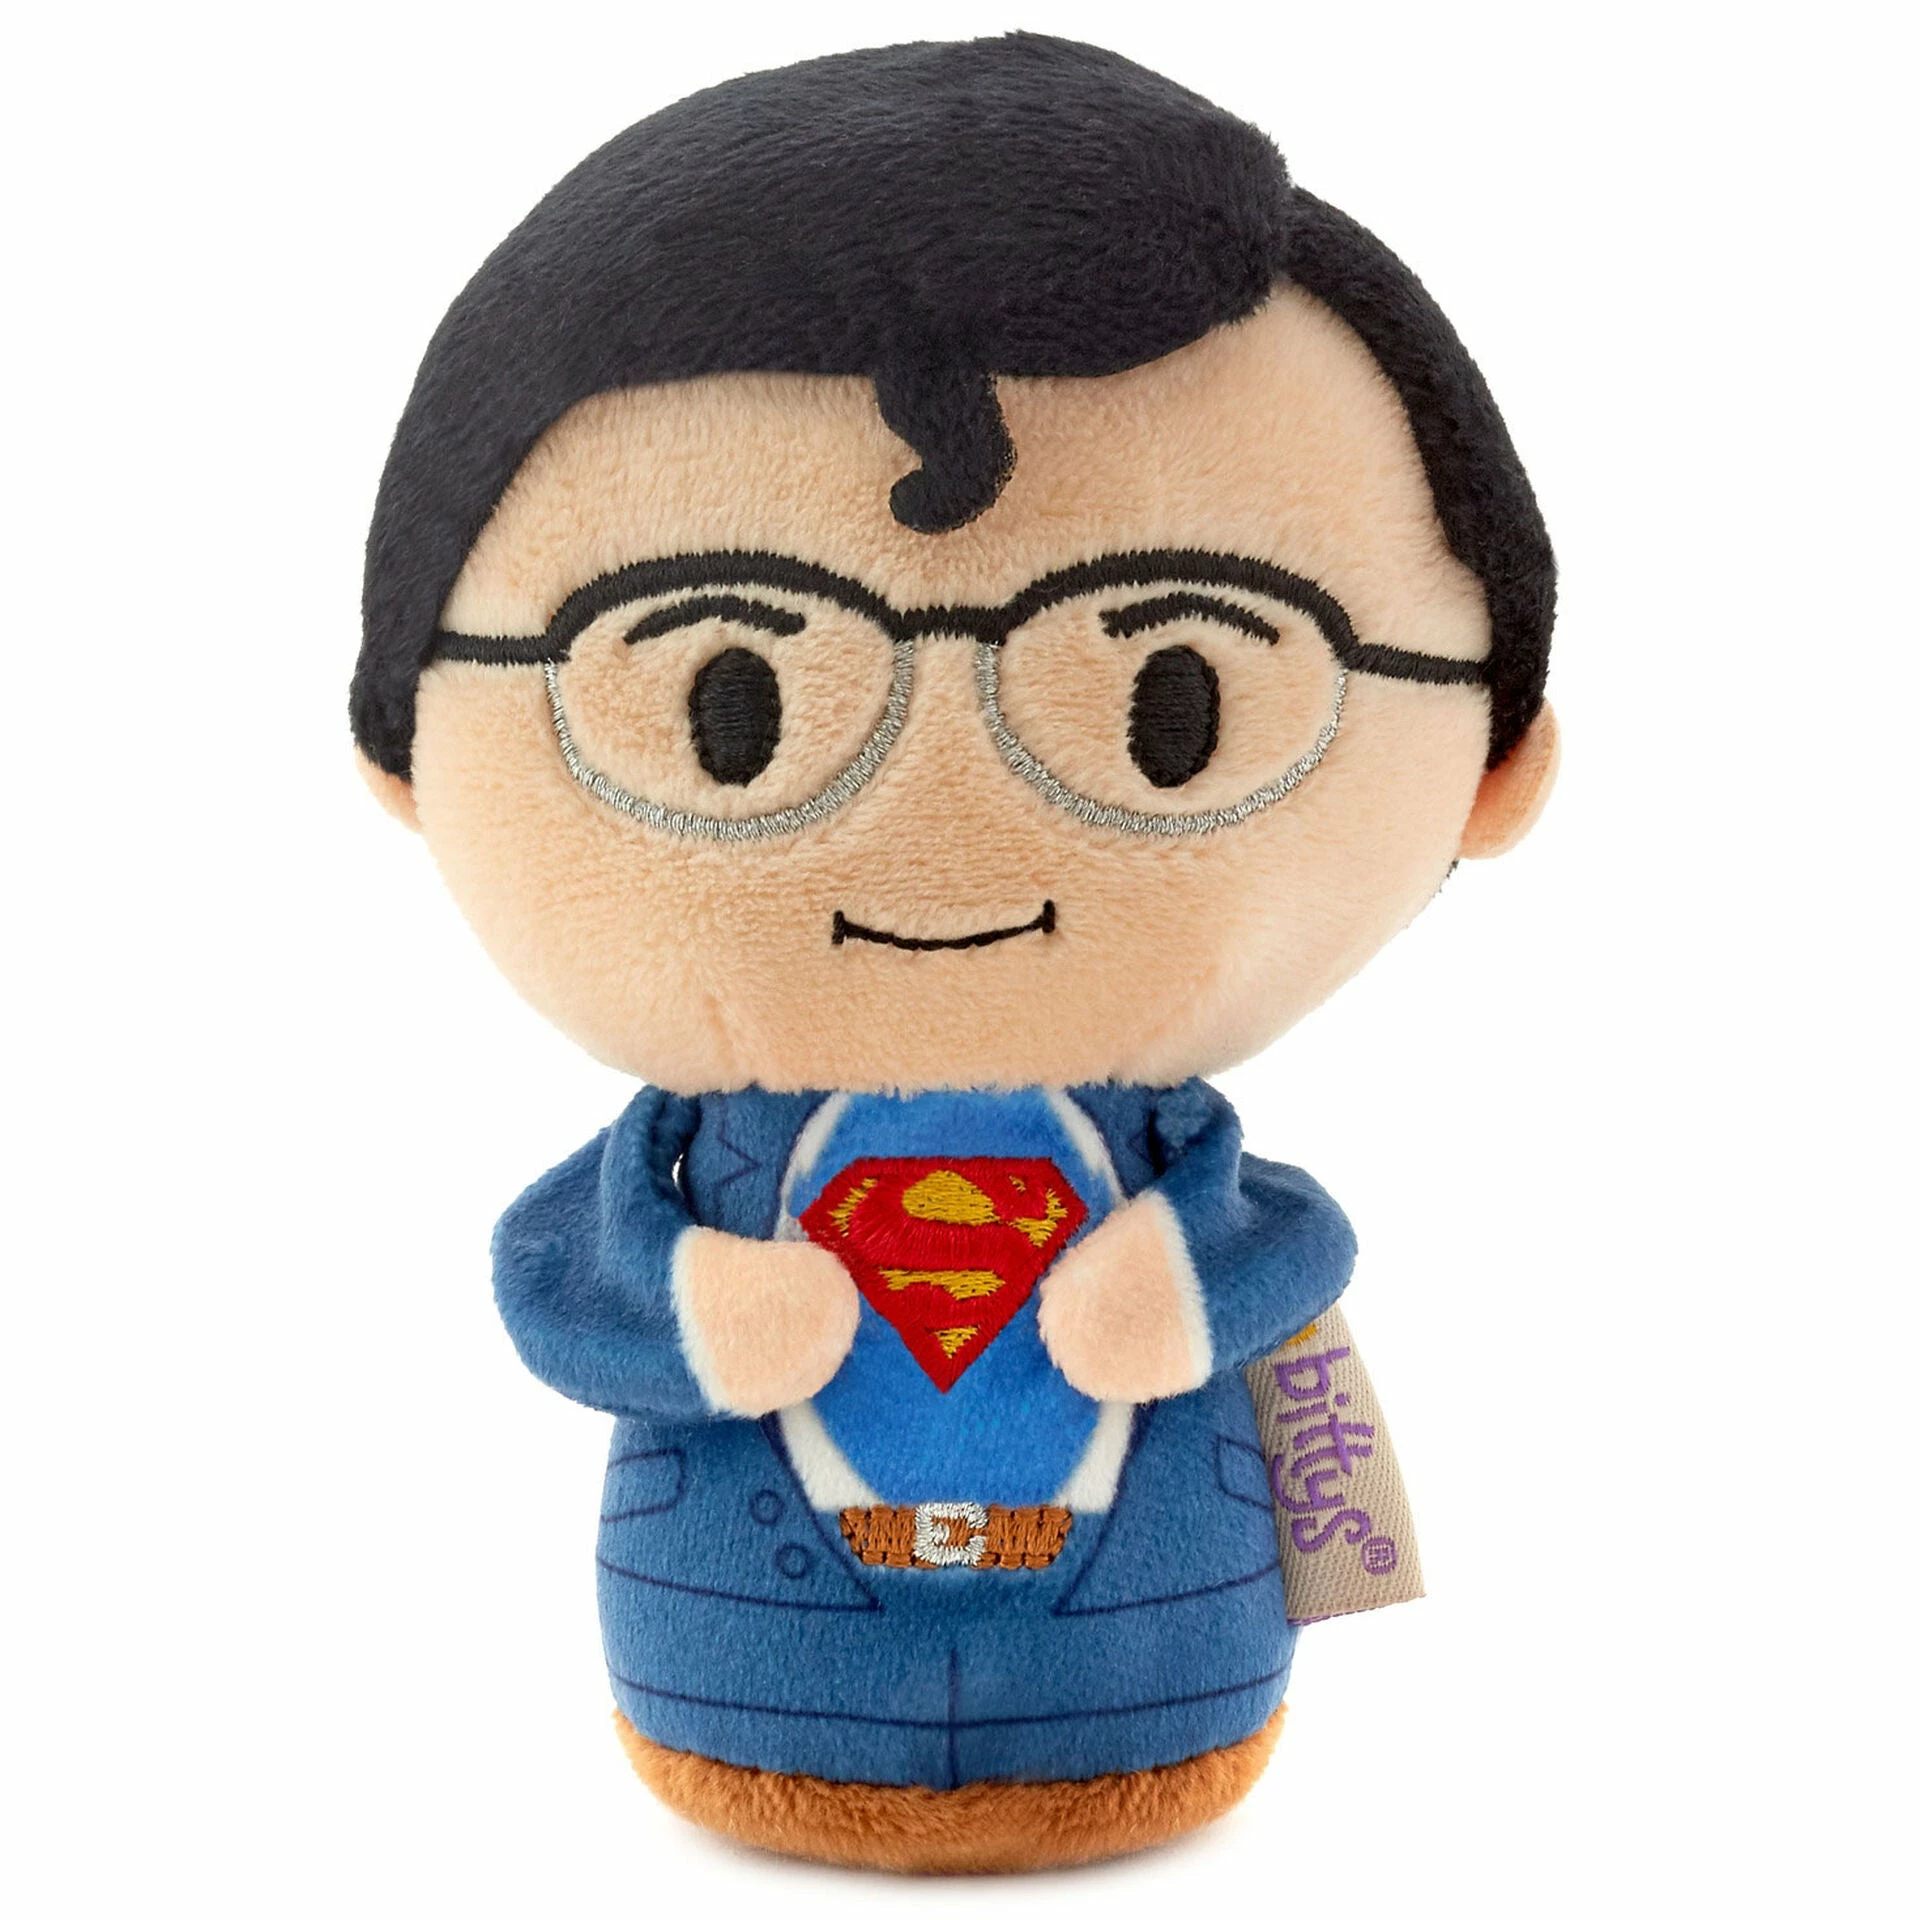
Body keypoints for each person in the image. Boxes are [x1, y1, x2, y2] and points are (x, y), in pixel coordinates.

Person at [353, 32, 1559, 1872]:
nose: (945, 799)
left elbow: (1281, 1243)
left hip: (1150, 1655)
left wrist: (1183, 1286)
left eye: (1173, 699)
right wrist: (693, 1309)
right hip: (747, 1644)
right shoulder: (687, 1152)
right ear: (409, 751)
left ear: (1490, 765)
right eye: (734, 701)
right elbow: (563, 1270)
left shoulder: (1178, 1159)